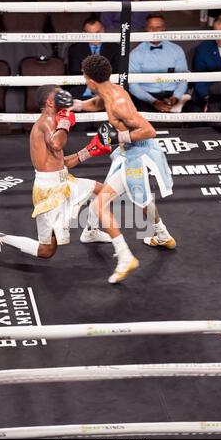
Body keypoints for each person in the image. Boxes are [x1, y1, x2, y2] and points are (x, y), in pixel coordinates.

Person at [73, 55, 176, 284]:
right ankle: (163, 235)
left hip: (136, 156)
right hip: (127, 153)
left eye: (84, 75)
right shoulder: (110, 90)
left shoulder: (118, 102)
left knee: (101, 203)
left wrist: (116, 136)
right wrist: (78, 106)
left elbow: (149, 130)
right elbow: (99, 102)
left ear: (90, 80)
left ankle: (125, 256)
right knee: (139, 199)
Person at [0, 86, 112, 265]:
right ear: (50, 102)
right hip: (49, 191)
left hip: (63, 180)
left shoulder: (55, 119)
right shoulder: (47, 121)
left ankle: (91, 231)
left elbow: (61, 162)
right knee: (46, 250)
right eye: (58, 95)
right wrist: (65, 121)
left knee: (103, 191)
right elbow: (58, 144)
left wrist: (88, 151)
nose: (63, 97)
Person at [129, 14, 189, 113]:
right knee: (141, 114)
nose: (154, 31)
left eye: (158, 28)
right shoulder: (135, 54)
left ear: (164, 29)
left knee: (194, 110)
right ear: (146, 29)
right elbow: (133, 85)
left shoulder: (177, 50)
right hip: (147, 97)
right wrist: (153, 101)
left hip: (173, 94)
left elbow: (183, 78)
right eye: (151, 27)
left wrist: (176, 96)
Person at [67, 16, 119, 101]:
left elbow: (116, 70)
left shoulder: (115, 48)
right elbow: (74, 71)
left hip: (108, 90)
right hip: (83, 90)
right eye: (91, 34)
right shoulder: (75, 49)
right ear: (84, 34)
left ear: (103, 30)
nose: (95, 36)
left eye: (98, 32)